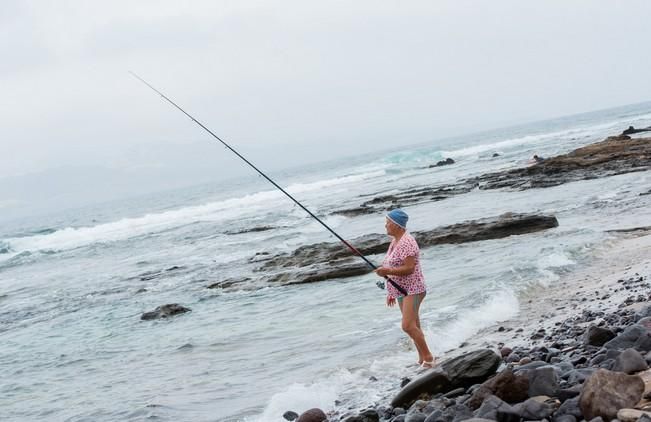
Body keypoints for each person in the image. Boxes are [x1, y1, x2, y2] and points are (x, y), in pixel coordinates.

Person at [375, 209, 435, 368]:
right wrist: (390, 290)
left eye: (388, 223)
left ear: (397, 225)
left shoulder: (407, 242)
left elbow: (409, 268)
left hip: (413, 289)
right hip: (401, 290)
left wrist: (386, 271)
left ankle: (429, 358)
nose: (385, 226)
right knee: (414, 325)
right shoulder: (395, 241)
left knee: (407, 326)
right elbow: (392, 264)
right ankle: (422, 359)